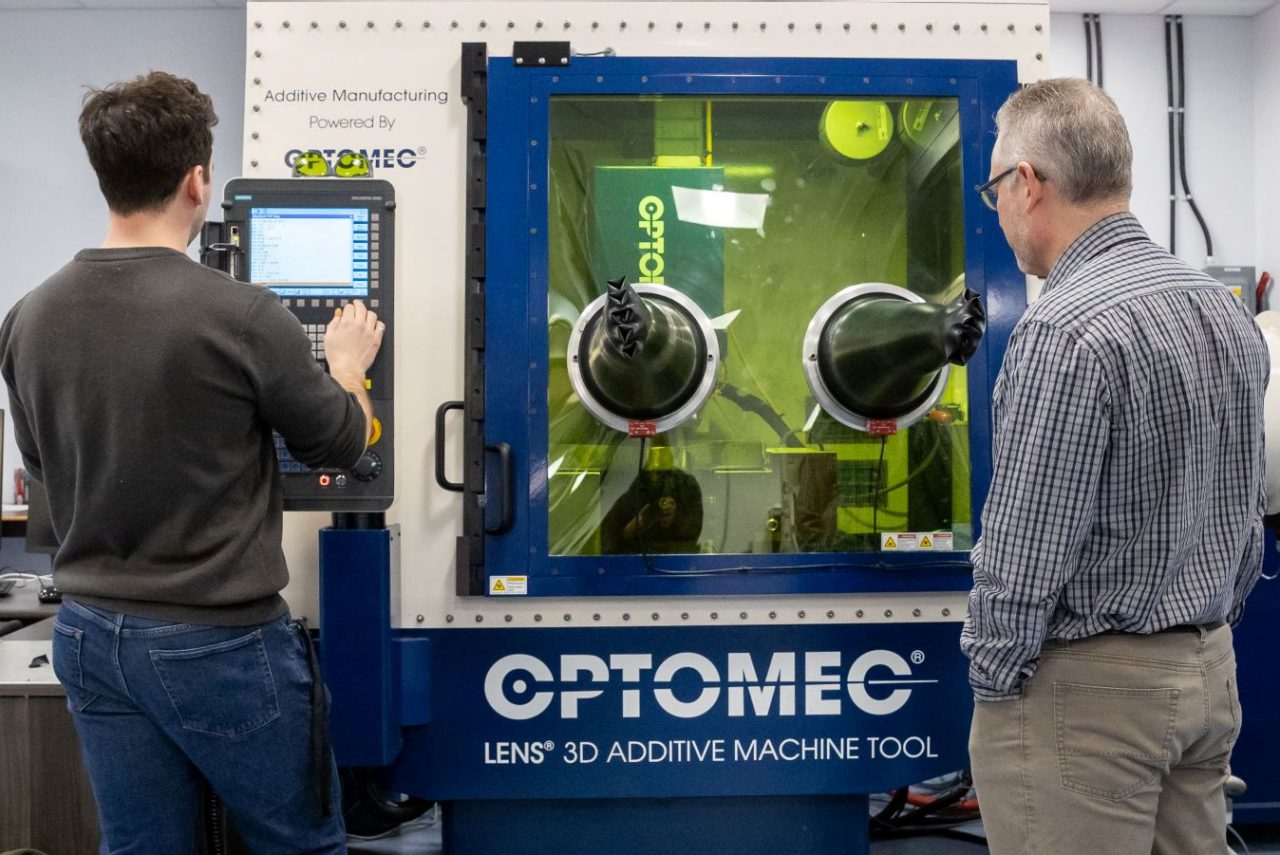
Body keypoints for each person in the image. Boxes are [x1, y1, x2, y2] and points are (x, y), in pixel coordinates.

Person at [0, 71, 383, 853]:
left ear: (104, 174)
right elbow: (343, 443)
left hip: (90, 634)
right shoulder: (242, 313)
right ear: (197, 180)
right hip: (222, 643)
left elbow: (42, 470)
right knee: (298, 844)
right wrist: (346, 367)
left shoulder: (27, 316)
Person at [961, 78, 1267, 854]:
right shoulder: (1224, 315)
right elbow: (1244, 516)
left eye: (994, 189)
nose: (996, 212)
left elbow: (1025, 550)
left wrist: (997, 687)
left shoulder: (1064, 329)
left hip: (1088, 701)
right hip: (1206, 674)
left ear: (1027, 185)